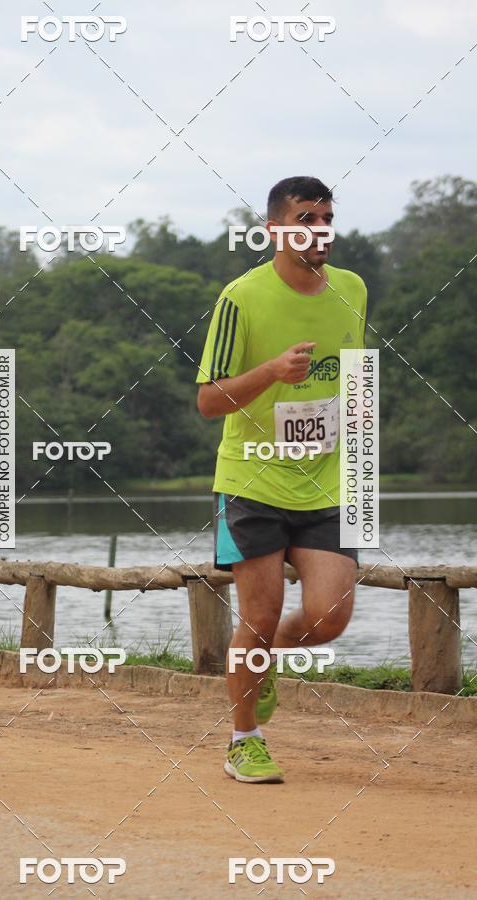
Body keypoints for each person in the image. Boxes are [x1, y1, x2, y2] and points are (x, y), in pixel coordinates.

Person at [196, 176, 367, 783]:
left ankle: (261, 668)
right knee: (260, 617)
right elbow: (209, 402)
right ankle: (245, 740)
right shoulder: (241, 298)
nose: (318, 230)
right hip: (252, 482)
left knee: (330, 617)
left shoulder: (352, 289)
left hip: (326, 483)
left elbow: (353, 382)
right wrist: (270, 371)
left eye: (325, 218)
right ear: (273, 229)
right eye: (304, 219)